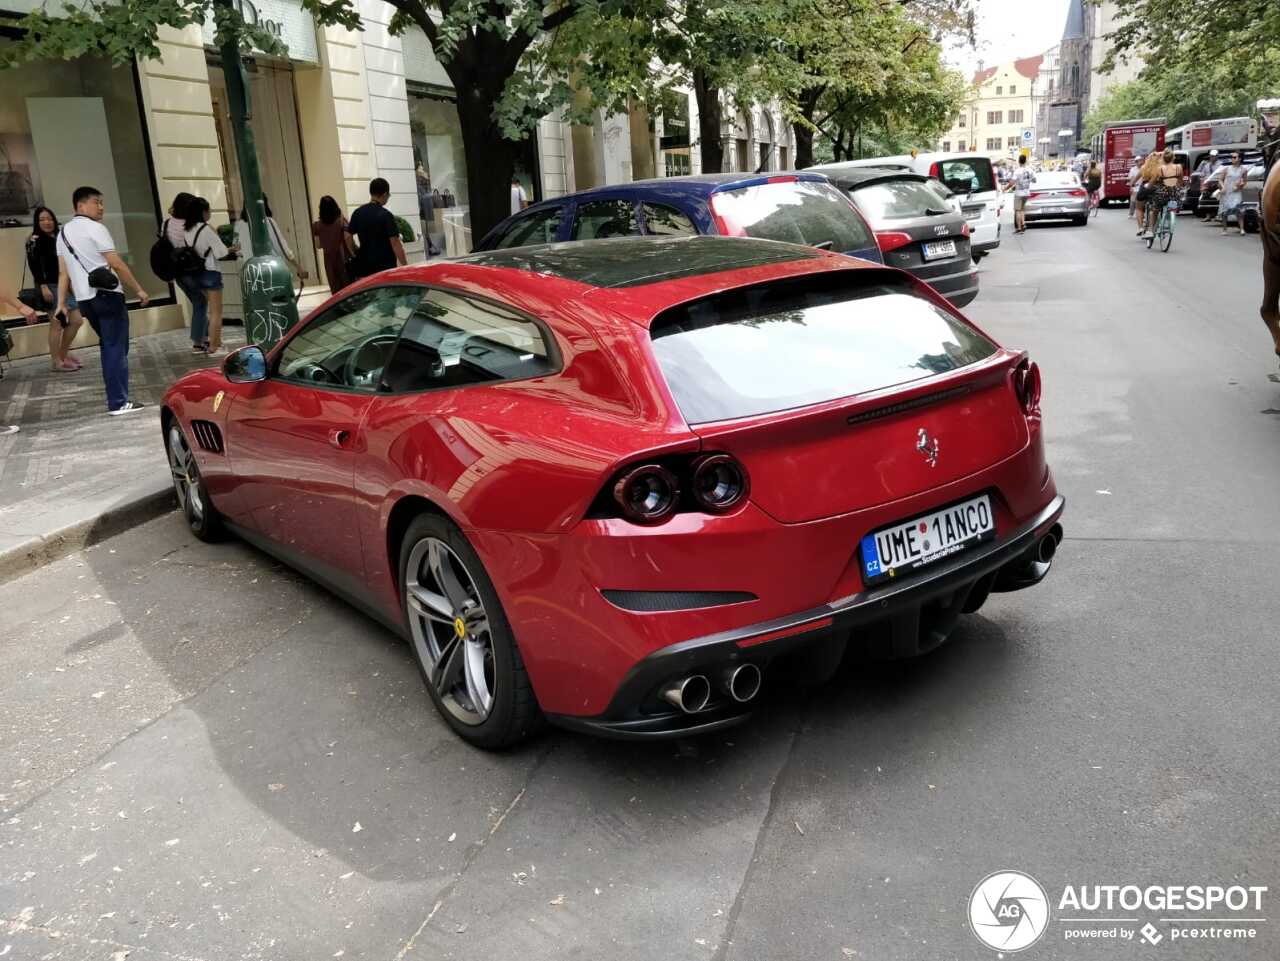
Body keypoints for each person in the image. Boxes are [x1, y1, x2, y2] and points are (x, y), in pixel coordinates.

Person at [55, 186, 150, 415]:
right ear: (80, 205)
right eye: (96, 202)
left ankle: (117, 398)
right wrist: (139, 289)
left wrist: (61, 304)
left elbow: (63, 274)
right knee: (115, 347)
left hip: (86, 301)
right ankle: (118, 402)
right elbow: (116, 264)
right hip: (107, 296)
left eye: (101, 202)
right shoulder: (96, 228)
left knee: (110, 345)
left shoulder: (63, 233)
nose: (101, 207)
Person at [26, 206, 84, 372]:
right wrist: (43, 286)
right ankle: (56, 362)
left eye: (49, 218)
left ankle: (62, 355)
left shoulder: (58, 237)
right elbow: (34, 265)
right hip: (49, 286)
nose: (47, 222)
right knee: (57, 324)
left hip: (64, 285)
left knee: (76, 321)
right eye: (42, 219)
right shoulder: (34, 240)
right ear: (37, 222)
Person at [183, 196, 237, 358]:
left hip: (194, 274)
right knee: (216, 312)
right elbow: (221, 252)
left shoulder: (187, 230)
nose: (210, 213)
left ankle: (214, 342)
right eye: (209, 210)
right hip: (210, 272)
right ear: (202, 212)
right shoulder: (206, 229)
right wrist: (232, 249)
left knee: (207, 310)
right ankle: (214, 346)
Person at [163, 192, 209, 354]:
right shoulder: (191, 225)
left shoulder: (166, 224)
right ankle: (198, 342)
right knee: (201, 302)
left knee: (199, 302)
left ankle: (206, 337)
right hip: (193, 270)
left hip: (177, 272)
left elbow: (165, 249)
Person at [236, 196, 308, 281]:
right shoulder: (268, 222)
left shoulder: (238, 225)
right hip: (271, 272)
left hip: (250, 274)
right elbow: (282, 247)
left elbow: (238, 252)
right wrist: (298, 267)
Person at [346, 177, 406, 280]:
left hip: (364, 266)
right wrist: (405, 266)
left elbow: (347, 236)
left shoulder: (358, 213)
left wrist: (353, 252)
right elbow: (395, 243)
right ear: (385, 194)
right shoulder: (386, 215)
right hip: (385, 267)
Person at [312, 195, 350, 295]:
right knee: (348, 290)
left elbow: (318, 245)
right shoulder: (342, 221)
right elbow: (348, 238)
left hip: (329, 261)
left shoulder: (316, 226)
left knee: (335, 291)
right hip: (343, 258)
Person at [1143, 148, 1183, 239]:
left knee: (1154, 210)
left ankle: (1150, 231)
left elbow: (1152, 182)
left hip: (1162, 194)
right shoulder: (1179, 167)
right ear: (1173, 158)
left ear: (1163, 159)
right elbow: (1180, 182)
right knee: (1172, 206)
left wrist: (1147, 187)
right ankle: (1168, 219)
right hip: (1174, 194)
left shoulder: (1159, 169)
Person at [1215, 152, 1248, 236]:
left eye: (1234, 157)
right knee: (1225, 211)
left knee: (1239, 210)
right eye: (1232, 157)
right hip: (1226, 192)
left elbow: (1244, 181)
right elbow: (1220, 179)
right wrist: (1223, 187)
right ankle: (1224, 229)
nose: (1232, 159)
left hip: (1236, 192)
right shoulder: (1226, 169)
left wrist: (1240, 186)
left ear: (1240, 158)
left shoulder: (1243, 170)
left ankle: (1242, 229)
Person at [1005, 153, 1034, 233]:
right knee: (1022, 209)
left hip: (1019, 193)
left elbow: (1012, 182)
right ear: (1025, 161)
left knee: (1017, 210)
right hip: (1026, 192)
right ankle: (1023, 224)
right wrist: (1027, 180)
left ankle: (1019, 228)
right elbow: (1034, 180)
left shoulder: (1017, 171)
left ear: (1019, 161)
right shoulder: (1030, 170)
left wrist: (1005, 188)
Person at [1134, 152, 1161, 236]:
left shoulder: (1143, 168)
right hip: (1156, 188)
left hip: (1144, 189)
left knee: (1139, 208)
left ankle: (1140, 227)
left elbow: (1135, 179)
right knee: (1154, 209)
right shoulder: (1160, 168)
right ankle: (1150, 229)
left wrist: (1131, 183)